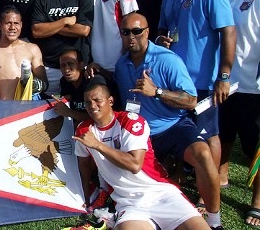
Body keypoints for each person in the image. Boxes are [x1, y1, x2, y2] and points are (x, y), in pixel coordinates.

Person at [113, 13, 223, 229]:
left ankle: (215, 221)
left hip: (173, 126)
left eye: (136, 31)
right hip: (141, 134)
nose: (131, 37)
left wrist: (157, 92)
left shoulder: (167, 59)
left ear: (147, 32)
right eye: (125, 32)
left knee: (203, 155)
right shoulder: (120, 65)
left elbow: (191, 101)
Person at [73, 83, 209, 230]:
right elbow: (84, 165)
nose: (92, 105)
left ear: (110, 101)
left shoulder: (131, 121)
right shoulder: (84, 130)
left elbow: (134, 165)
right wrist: (85, 196)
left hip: (161, 194)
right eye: (88, 102)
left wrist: (98, 145)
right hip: (129, 203)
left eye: (97, 100)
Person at [156, 0, 236, 185]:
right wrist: (160, 38)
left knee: (208, 134)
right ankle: (183, 178)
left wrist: (223, 76)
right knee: (182, 132)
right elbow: (162, 28)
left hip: (203, 81)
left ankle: (209, 190)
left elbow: (229, 32)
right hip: (175, 80)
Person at [216, 0, 260, 227]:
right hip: (221, 82)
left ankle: (257, 202)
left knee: (255, 146)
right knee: (222, 136)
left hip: (254, 85)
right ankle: (220, 180)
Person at [32, 0, 94, 94]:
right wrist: (65, 21)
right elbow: (37, 31)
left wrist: (49, 27)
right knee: (49, 111)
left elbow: (83, 30)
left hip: (78, 66)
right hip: (50, 66)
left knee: (78, 107)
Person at [0, 6, 47, 100]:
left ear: (21, 25)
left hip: (29, 108)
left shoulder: (32, 49)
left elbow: (45, 83)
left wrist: (32, 83)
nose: (12, 27)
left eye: (16, 23)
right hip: (4, 110)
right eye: (8, 23)